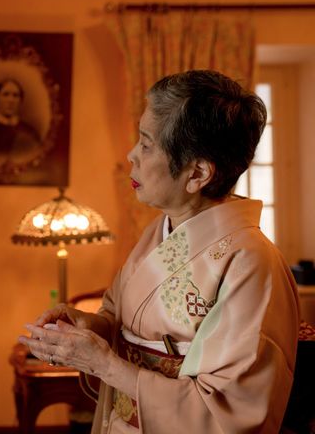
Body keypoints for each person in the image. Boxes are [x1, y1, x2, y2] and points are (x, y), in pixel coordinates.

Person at [18, 69, 300, 433]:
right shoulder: (162, 231)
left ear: (197, 173)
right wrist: (92, 325)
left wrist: (106, 365)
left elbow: (228, 414)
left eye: (147, 144)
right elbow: (118, 312)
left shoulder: (250, 262)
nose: (131, 155)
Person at [0, 78, 42, 157]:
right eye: (5, 94)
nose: (11, 100)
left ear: (20, 101)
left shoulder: (30, 132)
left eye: (15, 95)